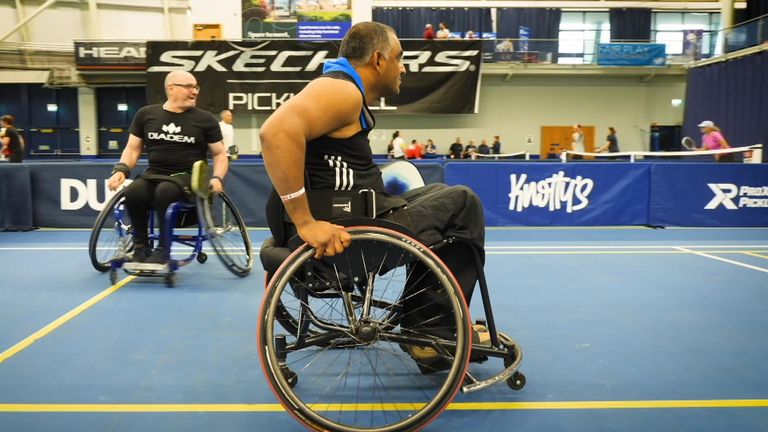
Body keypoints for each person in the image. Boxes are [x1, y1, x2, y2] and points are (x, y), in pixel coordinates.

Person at [260, 22, 488, 364]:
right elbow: (274, 132)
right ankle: (431, 330)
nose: (403, 68)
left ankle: (429, 322)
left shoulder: (341, 89)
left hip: (359, 214)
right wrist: (305, 222)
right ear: (379, 60)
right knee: (463, 203)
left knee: (441, 193)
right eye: (399, 58)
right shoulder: (342, 91)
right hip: (350, 233)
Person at [107, 70, 229, 264]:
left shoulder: (205, 119)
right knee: (134, 192)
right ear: (171, 89)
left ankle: (163, 250)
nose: (195, 91)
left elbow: (220, 154)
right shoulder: (146, 114)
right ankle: (141, 247)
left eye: (196, 87)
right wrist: (121, 170)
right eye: (189, 87)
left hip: (188, 176)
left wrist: (217, 177)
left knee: (165, 191)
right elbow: (132, 148)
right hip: (155, 174)